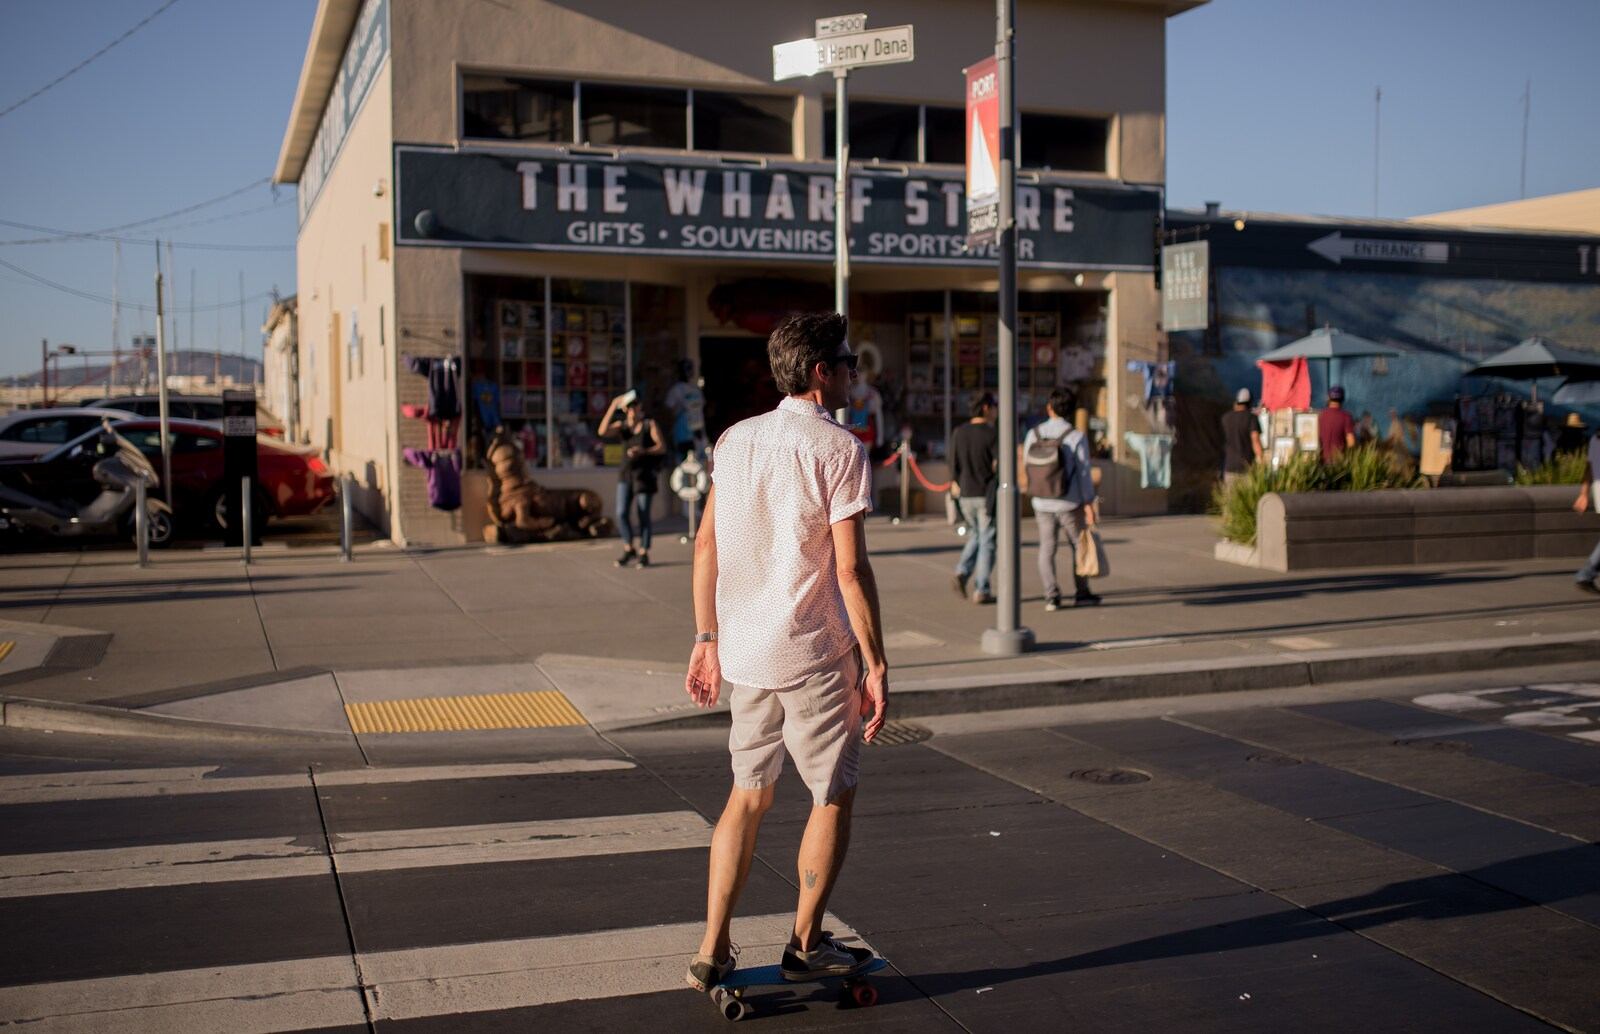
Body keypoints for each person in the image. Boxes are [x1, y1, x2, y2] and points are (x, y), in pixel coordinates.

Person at [683, 311, 889, 993]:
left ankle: (713, 948)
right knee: (832, 794)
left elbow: (707, 545)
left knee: (746, 797)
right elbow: (851, 571)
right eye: (848, 362)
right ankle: (805, 942)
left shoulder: (735, 440)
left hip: (744, 651)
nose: (855, 373)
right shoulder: (840, 449)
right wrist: (876, 663)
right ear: (821, 372)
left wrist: (706, 638)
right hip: (814, 653)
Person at [1020, 389, 1100, 611]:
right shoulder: (1075, 437)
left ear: (1049, 408)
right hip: (1069, 501)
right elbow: (1084, 473)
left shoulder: (1034, 434)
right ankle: (1082, 592)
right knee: (1078, 545)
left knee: (1047, 548)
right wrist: (1089, 502)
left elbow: (1027, 463)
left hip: (1041, 500)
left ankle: (1051, 595)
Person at [598, 391, 667, 567]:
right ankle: (629, 548)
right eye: (629, 408)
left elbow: (661, 447)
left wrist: (643, 451)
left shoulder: (648, 425)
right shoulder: (623, 427)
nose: (632, 411)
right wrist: (613, 405)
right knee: (621, 513)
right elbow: (602, 431)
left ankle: (644, 551)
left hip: (644, 476)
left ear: (639, 407)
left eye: (635, 407)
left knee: (643, 514)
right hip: (626, 474)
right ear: (626, 410)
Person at [949, 392, 999, 604]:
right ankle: (982, 588)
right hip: (985, 493)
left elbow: (953, 463)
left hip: (965, 493)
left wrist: (956, 484)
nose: (997, 410)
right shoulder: (991, 434)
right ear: (986, 408)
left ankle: (962, 571)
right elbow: (999, 466)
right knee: (987, 540)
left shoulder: (959, 432)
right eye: (995, 406)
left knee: (977, 535)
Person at [664, 359, 709, 461]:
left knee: (700, 464)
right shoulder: (676, 390)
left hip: (698, 432)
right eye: (686, 369)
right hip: (683, 433)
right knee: (685, 464)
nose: (689, 372)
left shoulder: (696, 389)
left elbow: (701, 410)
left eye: (690, 368)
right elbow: (668, 412)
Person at [1574, 421, 1599, 596]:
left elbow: (1588, 468)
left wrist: (1584, 494)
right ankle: (1586, 573)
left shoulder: (1594, 439)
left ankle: (1587, 573)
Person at [1220, 387, 1263, 484]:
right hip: (1246, 468)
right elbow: (1255, 440)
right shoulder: (1251, 418)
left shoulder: (1226, 418)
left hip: (1229, 467)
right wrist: (1261, 461)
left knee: (1230, 498)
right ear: (1249, 403)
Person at [1318, 385, 1357, 461]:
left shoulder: (1320, 415)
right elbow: (1351, 442)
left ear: (1328, 398)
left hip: (1321, 461)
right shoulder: (1346, 417)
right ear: (1342, 399)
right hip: (1339, 462)